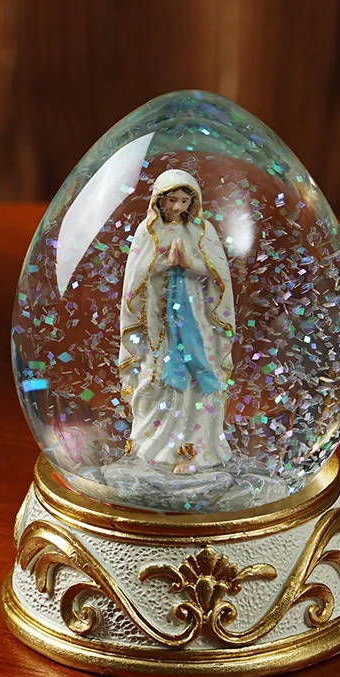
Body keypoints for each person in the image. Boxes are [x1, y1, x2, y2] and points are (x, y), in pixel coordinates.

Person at [119, 169, 235, 474]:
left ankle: (197, 448)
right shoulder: (148, 231)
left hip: (196, 316)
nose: (177, 206)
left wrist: (189, 263)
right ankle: (156, 445)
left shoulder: (202, 231)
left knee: (198, 375)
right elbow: (135, 278)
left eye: (184, 200)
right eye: (172, 200)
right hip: (159, 321)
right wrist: (163, 264)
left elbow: (219, 275)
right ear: (159, 200)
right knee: (159, 375)